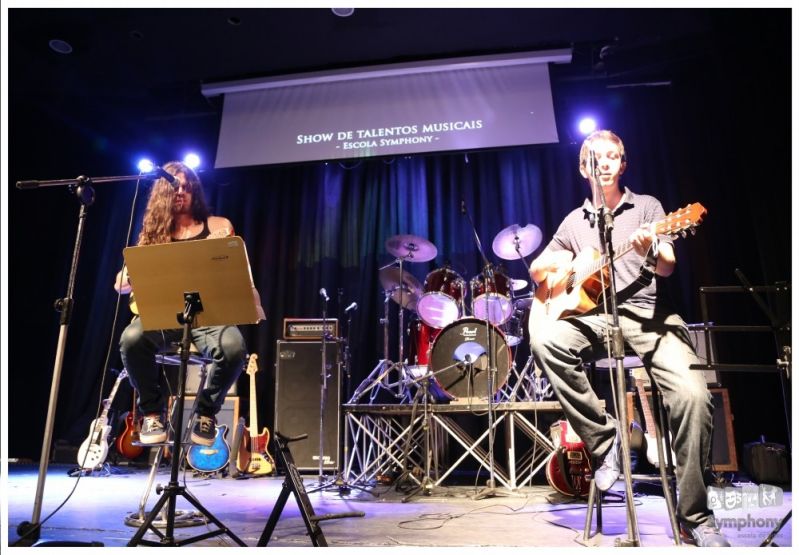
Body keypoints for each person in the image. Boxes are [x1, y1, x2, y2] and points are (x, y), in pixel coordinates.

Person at [527, 130, 729, 547]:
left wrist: (653, 246)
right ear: (584, 167)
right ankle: (605, 440)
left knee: (693, 396)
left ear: (623, 164)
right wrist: (559, 266)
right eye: (596, 157)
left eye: (612, 156)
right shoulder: (573, 222)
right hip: (596, 319)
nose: (604, 163)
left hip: (650, 317)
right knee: (545, 341)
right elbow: (538, 269)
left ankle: (694, 515)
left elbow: (668, 266)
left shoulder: (649, 208)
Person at [114, 161, 247, 447]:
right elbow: (120, 285)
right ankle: (152, 412)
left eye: (187, 187)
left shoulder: (218, 225)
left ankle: (205, 413)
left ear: (195, 192)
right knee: (131, 338)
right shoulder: (152, 234)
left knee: (234, 347)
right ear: (163, 192)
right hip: (164, 315)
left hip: (209, 316)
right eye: (176, 187)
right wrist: (132, 273)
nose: (181, 192)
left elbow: (235, 272)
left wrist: (221, 248)